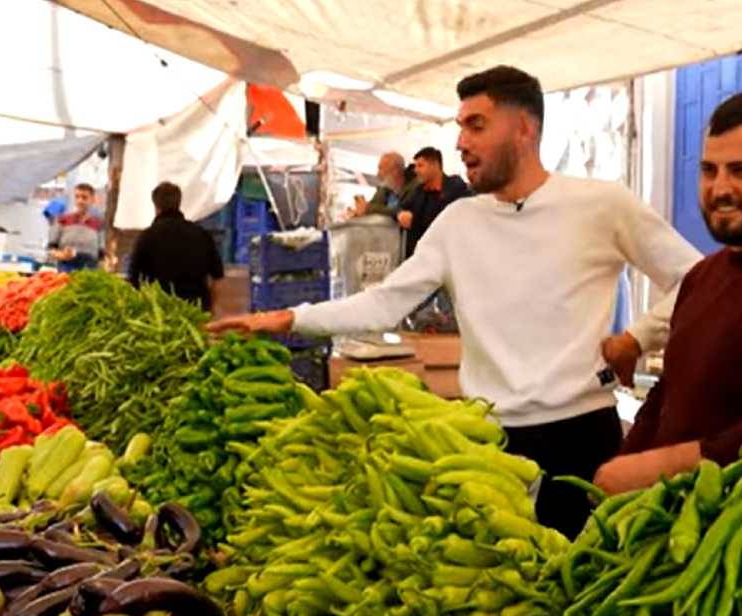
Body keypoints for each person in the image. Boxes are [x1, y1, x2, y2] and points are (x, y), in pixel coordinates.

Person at [207, 65, 702, 539]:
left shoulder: (602, 204)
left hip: (582, 436)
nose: (460, 142)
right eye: (460, 126)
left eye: (476, 125)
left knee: (581, 587)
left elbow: (696, 279)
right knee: (499, 594)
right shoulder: (456, 223)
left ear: (525, 129)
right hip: (488, 441)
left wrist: (638, 336)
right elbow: (384, 303)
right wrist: (289, 317)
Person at [593, 93, 742, 495]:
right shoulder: (700, 278)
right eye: (709, 170)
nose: (721, 188)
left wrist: (669, 463)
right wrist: (625, 463)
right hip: (669, 526)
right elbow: (668, 393)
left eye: (739, 170)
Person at [128, 182, 225, 311]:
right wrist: (211, 308)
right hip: (196, 311)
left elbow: (134, 280)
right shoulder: (201, 235)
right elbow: (217, 277)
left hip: (158, 314)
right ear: (179, 203)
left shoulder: (147, 237)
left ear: (156, 205)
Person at [396, 147, 471, 257]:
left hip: (448, 257)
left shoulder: (456, 189)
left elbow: (442, 219)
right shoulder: (418, 192)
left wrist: (414, 220)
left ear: (435, 165)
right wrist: (400, 214)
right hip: (420, 258)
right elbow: (399, 207)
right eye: (415, 166)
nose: (415, 170)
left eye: (420, 165)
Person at [49, 183, 103, 271]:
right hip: (65, 271)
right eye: (77, 197)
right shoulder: (62, 220)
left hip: (90, 273)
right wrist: (62, 255)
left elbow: (101, 255)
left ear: (93, 200)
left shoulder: (98, 224)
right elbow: (51, 249)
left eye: (84, 197)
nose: (80, 201)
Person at [354, 152, 421, 218]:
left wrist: (368, 208)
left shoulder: (416, 187)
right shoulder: (386, 186)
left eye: (381, 169)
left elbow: (402, 211)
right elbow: (374, 205)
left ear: (395, 171)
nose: (378, 174)